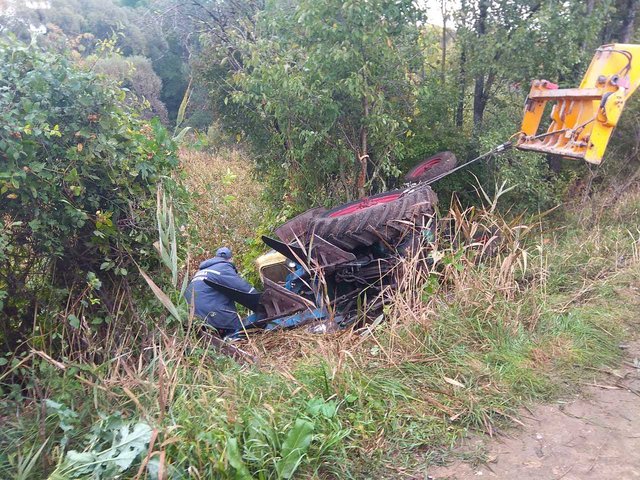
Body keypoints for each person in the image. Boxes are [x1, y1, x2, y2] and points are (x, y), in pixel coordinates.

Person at [184, 247, 258, 336]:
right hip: (210, 313)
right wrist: (261, 299)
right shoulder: (224, 267)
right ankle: (231, 336)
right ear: (230, 259)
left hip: (191, 315)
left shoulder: (201, 271)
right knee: (240, 331)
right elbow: (242, 287)